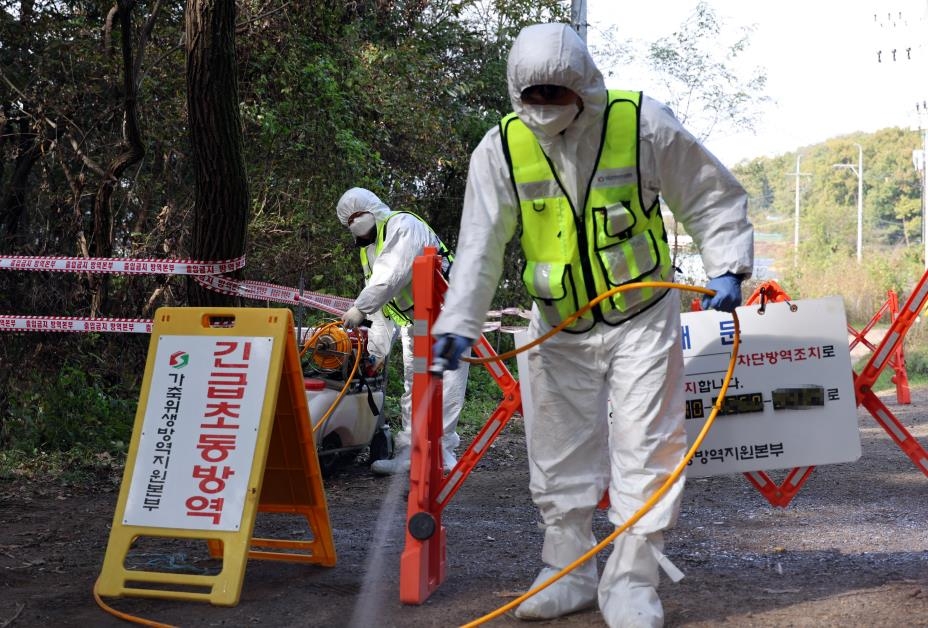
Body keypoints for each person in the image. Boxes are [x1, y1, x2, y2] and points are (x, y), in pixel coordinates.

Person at [430, 23, 753, 628]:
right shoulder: (499, 149)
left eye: (557, 94)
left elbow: (709, 194)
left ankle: (631, 583)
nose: (545, 107)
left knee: (646, 451)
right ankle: (568, 573)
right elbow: (479, 246)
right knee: (557, 458)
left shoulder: (641, 125)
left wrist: (728, 266)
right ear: (515, 91)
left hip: (642, 320)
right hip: (556, 326)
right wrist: (460, 323)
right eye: (534, 96)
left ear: (586, 87)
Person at [336, 187, 470, 476]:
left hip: (449, 314)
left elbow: (391, 276)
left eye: (355, 217)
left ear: (372, 208)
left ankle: (440, 452)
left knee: (447, 383)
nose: (354, 225)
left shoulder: (403, 226)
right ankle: (411, 454)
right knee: (416, 384)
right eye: (348, 222)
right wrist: (376, 352)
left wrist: (359, 307)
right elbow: (382, 306)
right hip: (419, 322)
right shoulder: (370, 250)